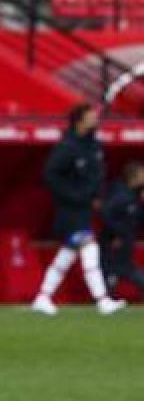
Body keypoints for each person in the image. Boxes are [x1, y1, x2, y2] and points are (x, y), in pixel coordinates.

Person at [31, 104, 125, 316]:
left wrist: (96, 197)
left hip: (85, 209)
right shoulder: (66, 147)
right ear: (79, 120)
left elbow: (98, 175)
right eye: (91, 116)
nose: (95, 119)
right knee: (89, 247)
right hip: (69, 211)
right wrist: (73, 195)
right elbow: (51, 176)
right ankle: (102, 300)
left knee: (66, 256)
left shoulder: (94, 146)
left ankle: (43, 296)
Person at [100, 161, 144, 298]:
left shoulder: (134, 195)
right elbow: (106, 215)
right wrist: (116, 235)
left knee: (116, 271)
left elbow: (138, 219)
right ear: (134, 177)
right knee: (119, 270)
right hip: (114, 242)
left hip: (125, 241)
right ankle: (106, 298)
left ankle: (108, 298)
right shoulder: (119, 195)